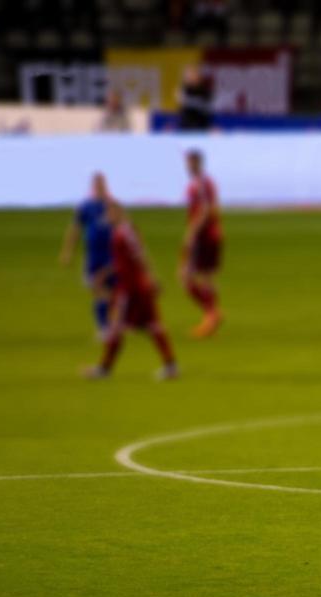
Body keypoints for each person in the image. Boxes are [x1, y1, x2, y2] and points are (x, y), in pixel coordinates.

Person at [83, 201, 180, 381]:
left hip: (131, 288)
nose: (107, 217)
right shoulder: (122, 232)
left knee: (117, 326)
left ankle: (104, 369)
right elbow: (124, 260)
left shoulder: (124, 232)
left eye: (110, 213)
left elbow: (139, 255)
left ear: (118, 213)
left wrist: (151, 277)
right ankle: (171, 366)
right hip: (136, 286)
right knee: (152, 325)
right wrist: (105, 273)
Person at [58, 173, 116, 336]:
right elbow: (75, 229)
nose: (99, 186)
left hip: (111, 254)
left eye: (102, 183)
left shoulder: (111, 205)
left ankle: (109, 326)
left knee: (111, 292)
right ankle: (104, 328)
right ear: (93, 185)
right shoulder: (85, 206)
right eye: (97, 183)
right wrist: (67, 252)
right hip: (94, 255)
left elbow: (123, 226)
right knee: (99, 290)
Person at [180, 149, 225, 339]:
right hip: (211, 234)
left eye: (190, 162)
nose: (187, 166)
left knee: (185, 276)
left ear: (197, 163)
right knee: (206, 277)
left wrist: (192, 232)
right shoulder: (203, 183)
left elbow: (206, 209)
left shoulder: (201, 184)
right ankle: (212, 316)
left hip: (204, 236)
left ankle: (211, 314)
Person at [175, 65, 214, 132]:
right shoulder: (184, 89)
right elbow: (182, 107)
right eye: (188, 76)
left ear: (198, 77)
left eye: (192, 75)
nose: (190, 78)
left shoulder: (204, 90)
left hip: (201, 126)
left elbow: (206, 107)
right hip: (186, 126)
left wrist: (187, 100)